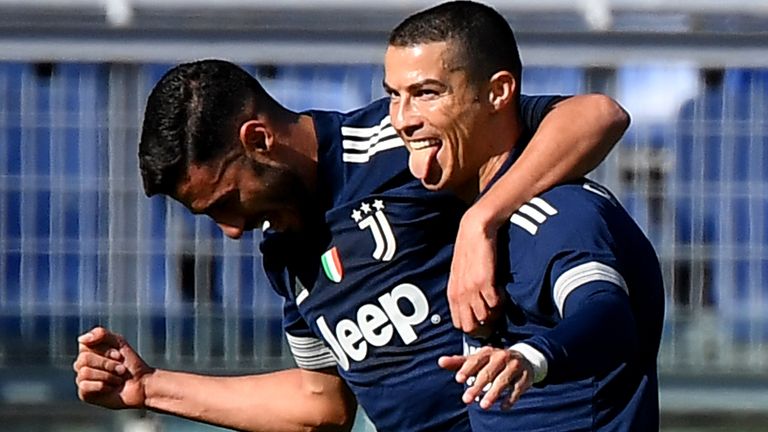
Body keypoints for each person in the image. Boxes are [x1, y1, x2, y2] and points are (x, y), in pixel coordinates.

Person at [73, 35, 627, 432]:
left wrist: (482, 221)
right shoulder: (284, 252)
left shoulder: (394, 141)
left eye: (226, 202)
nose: (231, 231)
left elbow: (596, 115)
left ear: (258, 139)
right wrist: (149, 388)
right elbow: (322, 404)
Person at [383, 1, 665, 430]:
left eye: (426, 93)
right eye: (393, 96)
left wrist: (531, 358)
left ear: (497, 92)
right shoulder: (465, 203)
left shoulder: (556, 211)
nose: (402, 119)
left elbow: (608, 314)